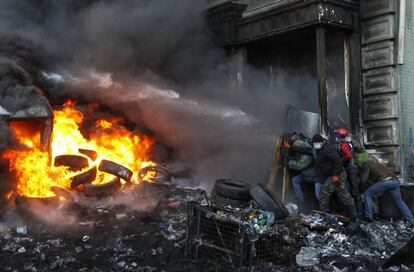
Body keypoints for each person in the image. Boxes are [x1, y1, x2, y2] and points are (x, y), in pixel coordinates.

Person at [311, 134, 359, 219]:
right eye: (315, 143)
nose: (316, 144)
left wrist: (336, 175)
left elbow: (338, 161)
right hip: (333, 174)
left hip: (337, 174)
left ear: (322, 141)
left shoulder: (328, 149)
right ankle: (354, 216)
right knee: (343, 194)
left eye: (317, 142)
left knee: (324, 193)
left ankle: (322, 216)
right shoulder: (319, 149)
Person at [360, 160, 414, 225]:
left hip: (385, 182)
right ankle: (412, 221)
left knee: (367, 194)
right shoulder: (378, 165)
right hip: (395, 181)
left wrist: (360, 189)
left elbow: (363, 180)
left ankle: (368, 217)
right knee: (400, 201)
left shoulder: (366, 164)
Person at [281, 133, 323, 204]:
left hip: (316, 176)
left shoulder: (308, 153)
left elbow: (301, 165)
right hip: (309, 174)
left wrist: (288, 163)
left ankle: (326, 211)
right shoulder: (305, 144)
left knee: (319, 195)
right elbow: (300, 151)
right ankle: (300, 199)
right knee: (295, 180)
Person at [334, 127, 364, 215]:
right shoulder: (344, 143)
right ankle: (354, 211)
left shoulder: (344, 144)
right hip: (349, 169)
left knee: (354, 191)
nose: (335, 136)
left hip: (350, 168)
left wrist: (341, 160)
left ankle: (359, 212)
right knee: (349, 190)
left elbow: (349, 156)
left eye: (337, 135)